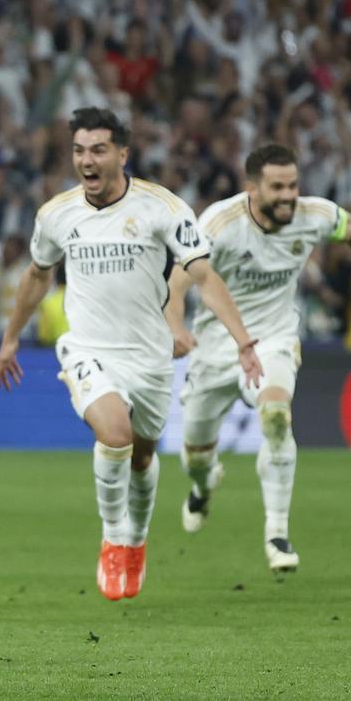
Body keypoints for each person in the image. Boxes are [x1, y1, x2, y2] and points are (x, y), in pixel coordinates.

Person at [0, 107, 262, 602]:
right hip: (89, 347)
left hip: (151, 356)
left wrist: (244, 340)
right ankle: (113, 535)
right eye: (78, 150)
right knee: (113, 434)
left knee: (141, 455)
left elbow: (203, 276)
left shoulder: (163, 208)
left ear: (122, 153)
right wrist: (11, 336)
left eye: (97, 149)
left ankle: (135, 541)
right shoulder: (57, 215)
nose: (86, 160)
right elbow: (37, 274)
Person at [166, 143, 350, 574]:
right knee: (194, 454)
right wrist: (176, 327)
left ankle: (277, 534)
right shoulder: (218, 222)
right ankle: (203, 484)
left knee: (275, 415)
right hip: (214, 348)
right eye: (277, 187)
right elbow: (176, 283)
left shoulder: (315, 215)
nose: (289, 195)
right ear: (252, 188)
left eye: (293, 185)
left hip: (273, 339)